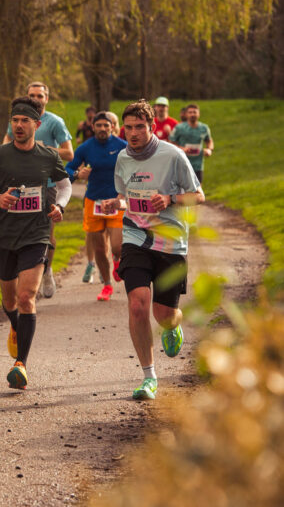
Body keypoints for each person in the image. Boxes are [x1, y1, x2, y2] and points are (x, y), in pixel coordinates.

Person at [101, 99, 203, 401]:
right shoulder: (123, 158)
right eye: (129, 128)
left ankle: (174, 326)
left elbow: (199, 195)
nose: (133, 133)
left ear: (152, 127)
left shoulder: (173, 156)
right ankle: (149, 377)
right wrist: (115, 204)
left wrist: (169, 199)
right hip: (136, 236)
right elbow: (125, 197)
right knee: (137, 304)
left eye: (139, 127)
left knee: (164, 314)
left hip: (170, 241)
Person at [0, 96, 72, 390]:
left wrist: (60, 206)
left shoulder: (48, 156)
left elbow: (65, 185)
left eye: (25, 121)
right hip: (4, 236)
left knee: (26, 297)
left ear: (37, 124)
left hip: (36, 232)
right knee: (9, 301)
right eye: (15, 120)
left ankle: (21, 364)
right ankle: (15, 325)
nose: (19, 126)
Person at [2, 82, 73, 299]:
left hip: (48, 185)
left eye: (40, 95)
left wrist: (42, 150)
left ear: (47, 98)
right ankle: (24, 275)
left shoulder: (55, 122)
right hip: (22, 185)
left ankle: (47, 271)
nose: (37, 98)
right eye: (32, 95)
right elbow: (6, 142)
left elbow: (69, 153)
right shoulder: (18, 119)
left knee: (46, 235)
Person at [65, 111, 127, 301]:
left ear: (112, 127)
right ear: (93, 128)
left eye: (105, 126)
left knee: (117, 247)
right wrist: (77, 174)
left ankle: (117, 261)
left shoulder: (122, 146)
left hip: (115, 200)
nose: (102, 129)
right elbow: (67, 169)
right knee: (99, 249)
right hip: (93, 202)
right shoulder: (85, 147)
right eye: (98, 126)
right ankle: (107, 285)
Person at [169, 103, 213, 184]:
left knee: (198, 190)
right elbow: (171, 143)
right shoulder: (179, 128)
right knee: (182, 191)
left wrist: (209, 149)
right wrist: (182, 149)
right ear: (186, 114)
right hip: (182, 164)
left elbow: (209, 140)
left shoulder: (204, 128)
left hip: (198, 165)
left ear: (199, 114)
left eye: (194, 112)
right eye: (190, 112)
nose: (192, 114)